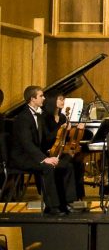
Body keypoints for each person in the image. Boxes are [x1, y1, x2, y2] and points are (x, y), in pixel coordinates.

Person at [9, 85, 77, 215]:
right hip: (21, 157)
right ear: (32, 99)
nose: (44, 98)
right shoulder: (23, 118)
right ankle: (52, 207)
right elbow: (27, 144)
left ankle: (65, 203)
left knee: (66, 165)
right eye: (41, 96)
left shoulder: (39, 116)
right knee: (48, 167)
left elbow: (46, 139)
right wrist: (44, 158)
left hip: (33, 154)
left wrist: (61, 135)